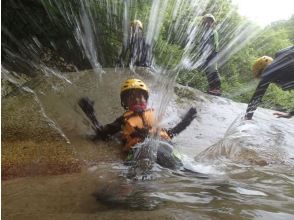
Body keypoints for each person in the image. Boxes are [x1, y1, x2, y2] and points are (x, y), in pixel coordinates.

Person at [79, 78, 197, 168]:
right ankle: (128, 191)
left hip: (164, 147)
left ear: (146, 100)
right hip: (138, 151)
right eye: (132, 98)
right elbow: (102, 133)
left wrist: (186, 121)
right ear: (125, 103)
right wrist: (91, 114)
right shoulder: (123, 120)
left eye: (141, 97)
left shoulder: (154, 116)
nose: (137, 100)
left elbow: (170, 134)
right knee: (138, 166)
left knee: (183, 164)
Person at [245, 46, 294, 120]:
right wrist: (290, 114)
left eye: (261, 76)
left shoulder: (270, 70)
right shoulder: (282, 57)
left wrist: (247, 117)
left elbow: (257, 96)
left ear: (263, 70)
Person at [197, 14, 221, 96]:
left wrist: (212, 53)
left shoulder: (214, 32)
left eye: (209, 21)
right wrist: (201, 54)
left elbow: (215, 44)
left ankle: (217, 89)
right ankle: (212, 88)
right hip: (206, 55)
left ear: (212, 23)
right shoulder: (204, 33)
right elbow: (202, 44)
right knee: (207, 71)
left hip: (213, 53)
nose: (207, 23)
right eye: (206, 21)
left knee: (213, 70)